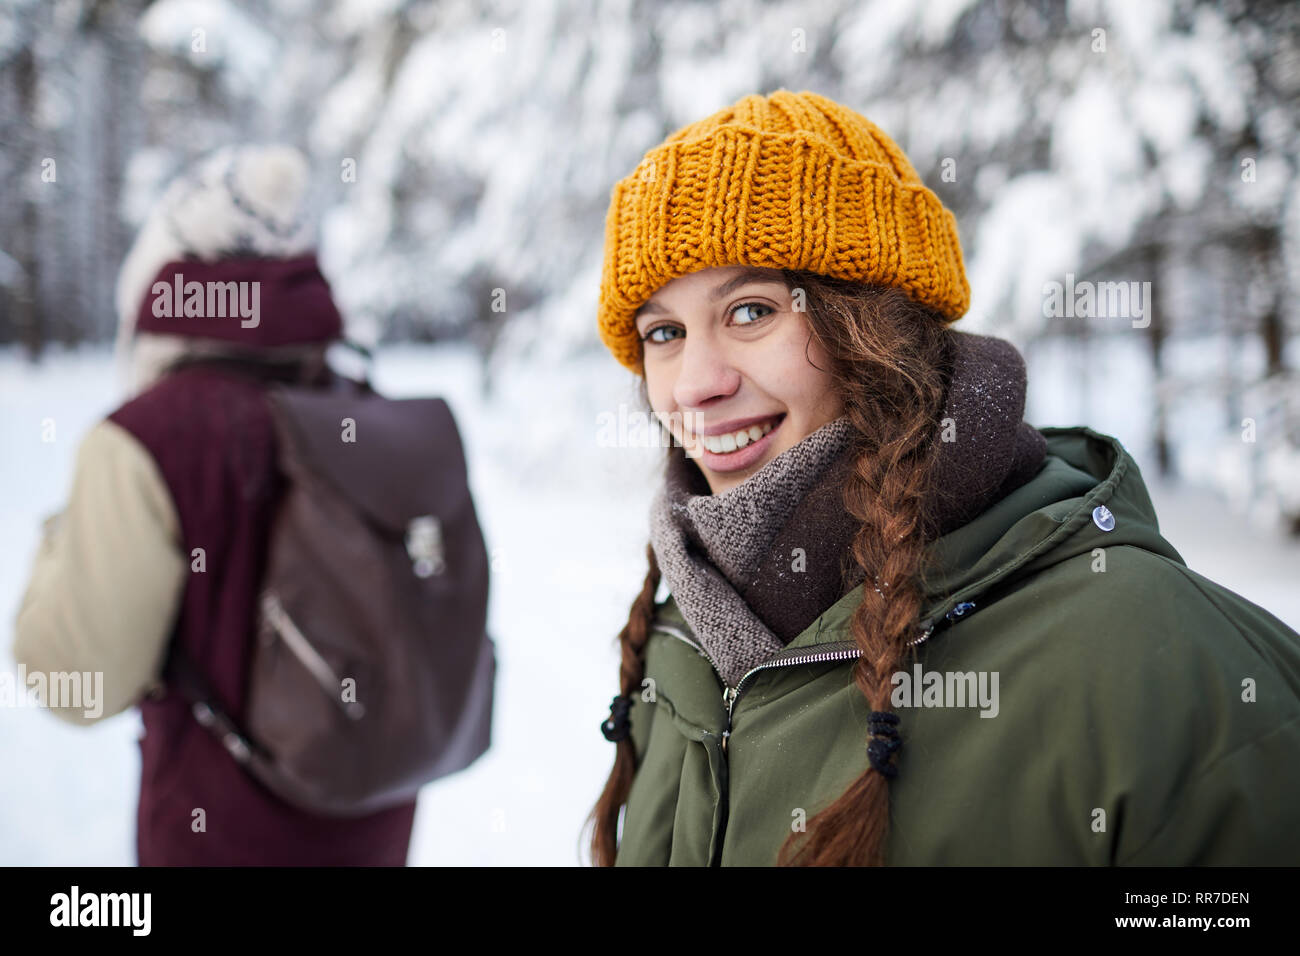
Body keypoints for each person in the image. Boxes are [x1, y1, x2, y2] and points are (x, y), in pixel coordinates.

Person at [586, 89, 1300, 866]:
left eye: (752, 311)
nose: (694, 384)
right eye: (664, 331)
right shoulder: (679, 645)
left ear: (878, 328)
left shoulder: (1157, 660)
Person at [12, 144, 417, 865]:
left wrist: (67, 534)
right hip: (373, 836)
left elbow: (73, 681)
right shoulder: (363, 410)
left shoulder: (149, 437)